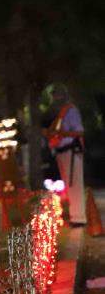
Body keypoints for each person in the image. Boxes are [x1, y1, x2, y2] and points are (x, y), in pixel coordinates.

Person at [46, 84, 86, 228]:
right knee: (69, 186)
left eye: (57, 94)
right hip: (62, 151)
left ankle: (79, 217)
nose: (55, 98)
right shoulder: (60, 113)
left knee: (74, 183)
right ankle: (74, 216)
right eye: (54, 95)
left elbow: (80, 132)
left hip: (72, 150)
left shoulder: (71, 111)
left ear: (63, 95)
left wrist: (63, 133)